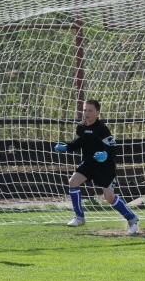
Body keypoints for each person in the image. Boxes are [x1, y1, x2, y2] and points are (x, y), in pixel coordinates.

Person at [54, 99, 139, 234]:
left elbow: (113, 147)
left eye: (90, 110)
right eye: (85, 110)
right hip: (88, 164)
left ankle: (132, 219)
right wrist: (66, 147)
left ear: (98, 112)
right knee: (73, 182)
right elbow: (78, 142)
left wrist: (105, 154)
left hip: (105, 168)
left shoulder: (102, 129)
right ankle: (79, 217)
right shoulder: (81, 127)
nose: (86, 113)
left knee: (109, 197)